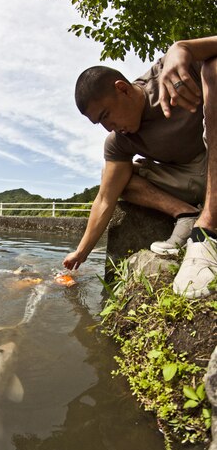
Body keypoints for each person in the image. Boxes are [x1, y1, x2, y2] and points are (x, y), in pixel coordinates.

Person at [63, 36, 217, 299]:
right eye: (99, 123)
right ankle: (186, 214)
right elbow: (104, 199)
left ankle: (209, 224)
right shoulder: (119, 141)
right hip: (188, 179)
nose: (108, 127)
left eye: (105, 116)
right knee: (116, 179)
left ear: (122, 88)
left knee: (214, 67)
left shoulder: (169, 73)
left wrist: (186, 48)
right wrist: (81, 252)